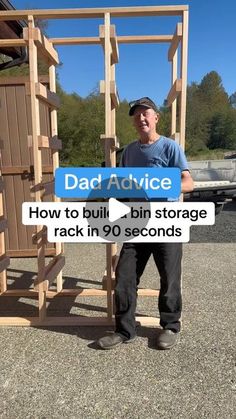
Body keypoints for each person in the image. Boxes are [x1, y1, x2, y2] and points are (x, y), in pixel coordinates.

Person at [98, 97, 194, 350]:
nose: (141, 118)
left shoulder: (170, 148)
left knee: (170, 280)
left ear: (156, 118)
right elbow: (123, 188)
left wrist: (159, 185)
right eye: (136, 115)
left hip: (166, 223)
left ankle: (170, 327)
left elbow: (188, 183)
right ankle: (124, 330)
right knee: (124, 278)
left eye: (146, 114)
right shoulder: (129, 151)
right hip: (136, 222)